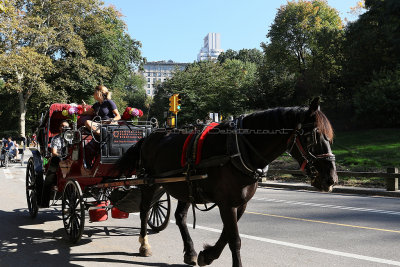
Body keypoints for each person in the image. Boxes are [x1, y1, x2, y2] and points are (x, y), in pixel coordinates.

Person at [42, 120, 70, 207]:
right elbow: (54, 152)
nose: (64, 128)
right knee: (55, 159)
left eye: (66, 126)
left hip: (70, 159)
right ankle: (52, 183)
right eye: (62, 126)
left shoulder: (72, 137)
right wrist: (62, 156)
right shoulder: (56, 138)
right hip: (58, 158)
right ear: (59, 128)